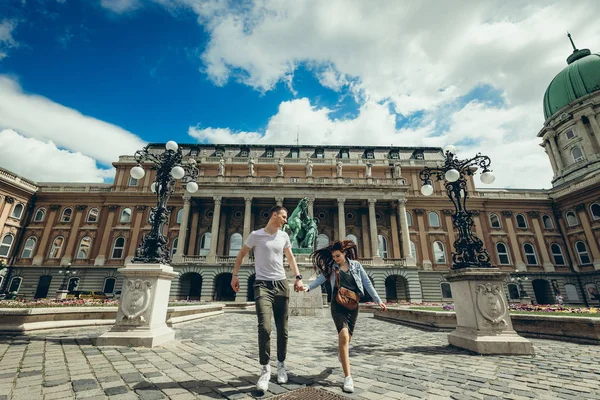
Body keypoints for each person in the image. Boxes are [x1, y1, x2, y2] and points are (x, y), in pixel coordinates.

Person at [231, 205, 304, 392]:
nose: (286, 220)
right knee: (264, 326)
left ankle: (281, 364)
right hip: (262, 284)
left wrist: (297, 277)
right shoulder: (256, 235)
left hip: (280, 284)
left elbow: (291, 257)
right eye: (284, 216)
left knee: (283, 329)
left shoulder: (284, 236)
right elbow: (241, 254)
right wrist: (235, 275)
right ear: (274, 215)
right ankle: (265, 369)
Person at [304, 240, 386, 393]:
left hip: (353, 305)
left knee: (347, 339)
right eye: (333, 256)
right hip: (337, 304)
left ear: (345, 253)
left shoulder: (356, 266)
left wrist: (378, 300)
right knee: (343, 334)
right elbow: (321, 279)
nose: (335, 259)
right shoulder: (332, 267)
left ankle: (341, 352)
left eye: (337, 256)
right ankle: (348, 377)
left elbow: (367, 283)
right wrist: (308, 287)